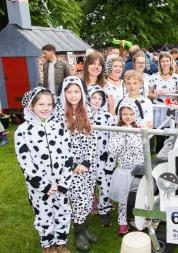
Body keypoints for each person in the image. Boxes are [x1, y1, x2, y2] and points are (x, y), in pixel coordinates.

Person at [15, 87, 73, 253]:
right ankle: (47, 245)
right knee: (44, 215)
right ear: (32, 106)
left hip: (61, 183)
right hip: (39, 187)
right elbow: (25, 162)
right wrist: (44, 185)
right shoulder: (22, 131)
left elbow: (68, 156)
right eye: (41, 104)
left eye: (49, 104)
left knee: (63, 212)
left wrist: (63, 183)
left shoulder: (59, 127)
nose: (45, 108)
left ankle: (61, 243)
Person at [58, 76, 98, 252]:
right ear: (64, 93)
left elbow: (92, 139)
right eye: (69, 92)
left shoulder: (87, 110)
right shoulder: (59, 114)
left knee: (88, 197)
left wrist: (87, 162)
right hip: (71, 167)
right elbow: (59, 143)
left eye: (76, 91)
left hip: (88, 165)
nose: (73, 95)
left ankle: (85, 228)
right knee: (78, 199)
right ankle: (78, 233)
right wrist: (73, 163)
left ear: (81, 92)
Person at [109, 99, 144, 236]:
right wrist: (123, 134)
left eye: (131, 114)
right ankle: (122, 221)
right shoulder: (117, 131)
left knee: (138, 197)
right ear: (120, 115)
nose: (128, 117)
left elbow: (138, 149)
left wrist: (130, 133)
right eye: (124, 114)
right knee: (124, 199)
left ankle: (137, 220)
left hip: (137, 172)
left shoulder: (139, 130)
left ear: (135, 115)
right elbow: (113, 150)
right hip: (123, 171)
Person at [87, 85, 116, 227]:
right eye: (94, 97)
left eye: (100, 98)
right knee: (87, 185)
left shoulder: (108, 117)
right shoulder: (82, 115)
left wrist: (111, 159)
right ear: (88, 98)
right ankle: (84, 212)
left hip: (104, 158)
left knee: (105, 185)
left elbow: (113, 138)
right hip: (87, 158)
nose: (97, 101)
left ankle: (104, 210)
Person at [148, 52, 178, 153]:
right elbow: (149, 94)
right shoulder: (154, 77)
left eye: (167, 61)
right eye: (163, 61)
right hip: (158, 109)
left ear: (171, 62)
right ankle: (159, 156)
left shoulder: (176, 77)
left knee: (171, 137)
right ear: (160, 63)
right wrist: (157, 94)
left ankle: (169, 157)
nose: (165, 63)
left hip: (170, 110)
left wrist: (169, 94)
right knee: (159, 137)